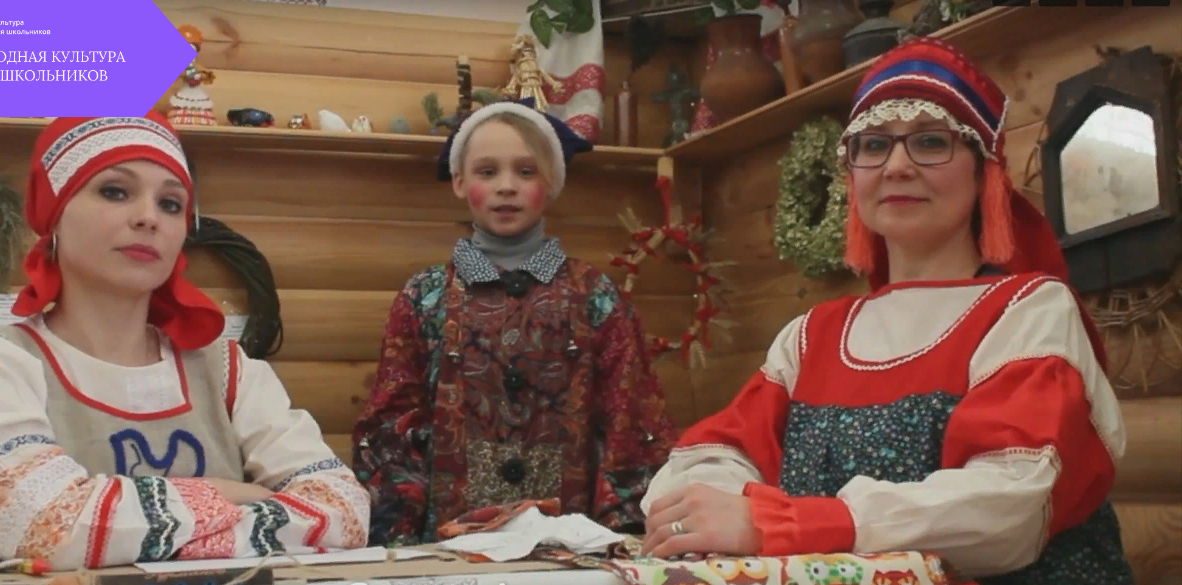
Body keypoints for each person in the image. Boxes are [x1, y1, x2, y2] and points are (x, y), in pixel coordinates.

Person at [638, 38, 1135, 585]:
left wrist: (783, 523)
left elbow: (1008, 506)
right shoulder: (811, 335)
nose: (896, 166)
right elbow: (710, 456)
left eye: (930, 141)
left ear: (984, 172)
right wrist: (722, 510)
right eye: (873, 145)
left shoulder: (1029, 311)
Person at [0, 114, 369, 570]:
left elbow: (345, 511)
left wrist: (117, 525)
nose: (148, 217)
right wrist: (230, 495)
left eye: (171, 204)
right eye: (115, 191)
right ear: (54, 215)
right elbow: (44, 526)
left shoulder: (229, 372)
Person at [351, 99, 678, 546]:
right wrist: (398, 543)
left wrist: (622, 538)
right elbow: (394, 429)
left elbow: (630, 423)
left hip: (570, 552)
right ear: (460, 181)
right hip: (450, 551)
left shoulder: (595, 297)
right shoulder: (424, 298)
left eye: (526, 172)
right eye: (487, 172)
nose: (506, 187)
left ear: (552, 182)